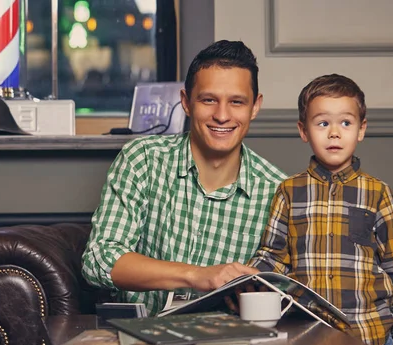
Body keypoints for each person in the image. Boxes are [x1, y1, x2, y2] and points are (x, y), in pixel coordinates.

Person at [82, 40, 287, 317]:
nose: (222, 116)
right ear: (186, 102)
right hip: (140, 339)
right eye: (208, 100)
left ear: (254, 107)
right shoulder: (143, 159)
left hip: (227, 344)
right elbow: (99, 261)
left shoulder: (277, 190)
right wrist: (197, 276)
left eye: (236, 102)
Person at [248, 74, 393, 345]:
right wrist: (249, 279)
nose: (335, 132)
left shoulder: (377, 193)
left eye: (345, 122)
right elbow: (272, 256)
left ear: (361, 130)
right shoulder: (289, 192)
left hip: (371, 333)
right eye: (322, 123)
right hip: (313, 339)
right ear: (303, 131)